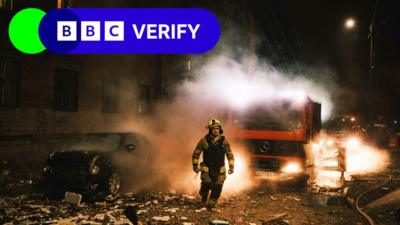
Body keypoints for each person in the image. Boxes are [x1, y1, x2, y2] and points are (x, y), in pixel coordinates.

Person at [192, 118, 235, 209]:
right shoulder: (204, 141)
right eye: (213, 128)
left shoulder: (224, 141)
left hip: (220, 169)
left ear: (220, 129)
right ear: (210, 130)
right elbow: (196, 153)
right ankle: (204, 196)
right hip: (207, 169)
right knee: (207, 184)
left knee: (218, 186)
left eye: (217, 128)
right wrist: (195, 166)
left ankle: (212, 201)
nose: (216, 130)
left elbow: (230, 155)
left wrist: (231, 167)